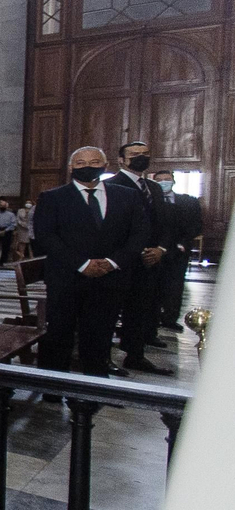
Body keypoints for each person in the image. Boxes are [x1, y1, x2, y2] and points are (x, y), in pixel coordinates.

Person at [33, 146, 148, 378]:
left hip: (110, 278)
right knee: (59, 334)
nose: (88, 167)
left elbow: (139, 235)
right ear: (70, 168)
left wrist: (112, 262)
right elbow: (46, 236)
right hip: (67, 277)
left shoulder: (127, 196)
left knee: (100, 335)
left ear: (105, 166)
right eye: (80, 163)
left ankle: (95, 386)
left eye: (95, 162)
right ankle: (52, 386)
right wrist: (82, 264)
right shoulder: (52, 197)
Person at [107, 141, 174, 375]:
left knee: (140, 310)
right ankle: (103, 357)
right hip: (122, 260)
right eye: (134, 154)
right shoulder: (110, 185)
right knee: (111, 310)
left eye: (145, 154)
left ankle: (135, 355)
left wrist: (161, 249)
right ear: (121, 160)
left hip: (150, 260)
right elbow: (111, 228)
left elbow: (165, 223)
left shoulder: (154, 187)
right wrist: (133, 251)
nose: (140, 158)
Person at [153, 170, 201, 331]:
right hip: (155, 251)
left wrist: (182, 243)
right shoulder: (149, 201)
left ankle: (170, 318)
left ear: (173, 181)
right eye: (159, 180)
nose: (163, 182)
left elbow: (196, 226)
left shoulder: (189, 202)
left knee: (175, 286)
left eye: (166, 179)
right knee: (153, 287)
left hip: (179, 251)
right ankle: (152, 319)